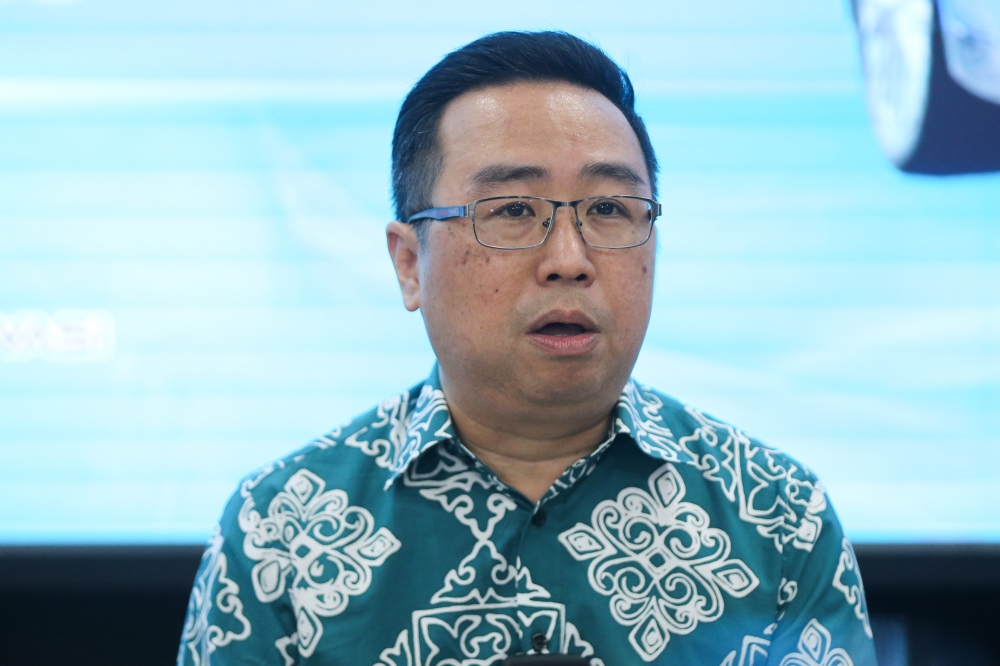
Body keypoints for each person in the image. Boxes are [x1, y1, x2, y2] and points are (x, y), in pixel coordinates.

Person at [177, 31, 878, 666]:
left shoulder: (778, 512)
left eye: (608, 209)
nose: (569, 260)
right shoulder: (282, 526)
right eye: (513, 211)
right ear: (408, 264)